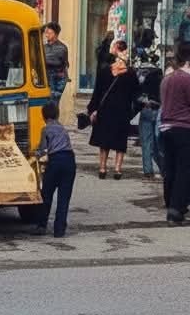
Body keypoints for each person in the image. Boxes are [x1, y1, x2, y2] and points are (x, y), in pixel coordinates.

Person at [159, 45, 190, 225]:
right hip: (185, 128)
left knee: (171, 168)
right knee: (186, 169)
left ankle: (171, 202)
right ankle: (176, 209)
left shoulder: (167, 79)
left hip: (166, 128)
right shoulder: (188, 80)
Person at [87, 40, 139, 179]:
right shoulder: (130, 74)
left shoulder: (106, 71)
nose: (126, 55)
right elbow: (136, 94)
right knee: (118, 140)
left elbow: (97, 92)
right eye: (125, 52)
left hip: (108, 110)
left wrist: (92, 108)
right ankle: (116, 169)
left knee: (106, 140)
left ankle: (103, 168)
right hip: (121, 110)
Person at [31, 101, 77, 238]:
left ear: (44, 117)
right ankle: (59, 230)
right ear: (57, 115)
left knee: (46, 195)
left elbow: (43, 149)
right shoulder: (63, 128)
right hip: (69, 161)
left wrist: (35, 154)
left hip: (55, 162)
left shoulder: (46, 129)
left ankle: (41, 226)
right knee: (64, 198)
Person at [136, 61, 165, 181]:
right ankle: (164, 169)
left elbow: (138, 96)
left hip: (147, 110)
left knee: (146, 142)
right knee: (159, 143)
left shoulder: (145, 80)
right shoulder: (163, 81)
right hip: (159, 111)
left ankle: (148, 171)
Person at [43, 22, 69, 106]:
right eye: (46, 33)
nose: (46, 35)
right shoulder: (44, 47)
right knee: (49, 102)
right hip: (47, 78)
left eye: (49, 33)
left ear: (56, 34)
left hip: (58, 79)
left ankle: (53, 118)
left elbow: (64, 63)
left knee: (54, 102)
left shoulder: (62, 48)